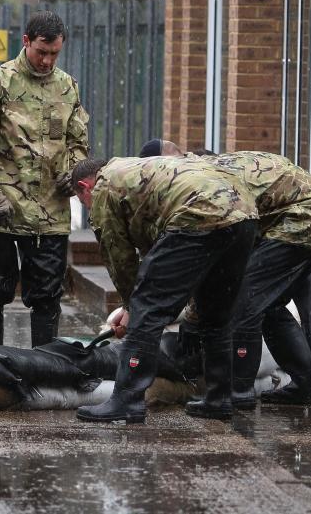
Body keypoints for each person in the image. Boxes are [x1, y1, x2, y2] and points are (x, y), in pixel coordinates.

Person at [139, 140, 311, 406]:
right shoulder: (204, 172)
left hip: (301, 218)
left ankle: (239, 392)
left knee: (245, 302)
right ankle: (307, 385)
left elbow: (212, 264)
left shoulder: (198, 185)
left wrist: (193, 319)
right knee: (271, 304)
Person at [71, 156, 258, 423]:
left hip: (198, 213)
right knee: (215, 314)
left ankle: (127, 400)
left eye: (83, 203)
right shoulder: (136, 170)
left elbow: (119, 256)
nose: (88, 209)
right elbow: (158, 246)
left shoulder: (104, 187)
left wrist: (130, 306)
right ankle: (219, 398)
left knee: (148, 308)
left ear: (85, 187)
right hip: (244, 213)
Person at [0, 10, 89, 347]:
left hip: (48, 213)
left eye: (54, 54)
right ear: (26, 42)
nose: (47, 61)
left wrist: (74, 173)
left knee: (47, 298)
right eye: (41, 52)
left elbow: (78, 141)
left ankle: (46, 372)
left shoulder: (66, 87)